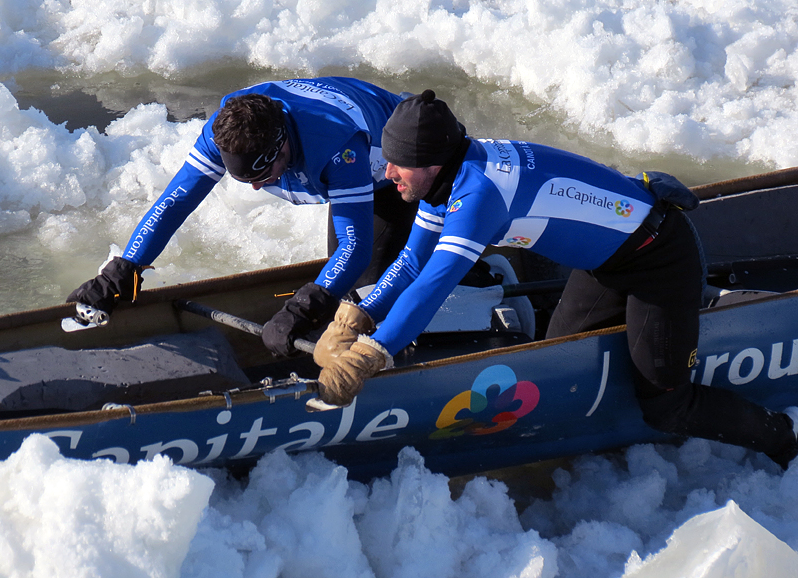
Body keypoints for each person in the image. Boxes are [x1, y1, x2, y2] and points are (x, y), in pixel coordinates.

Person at [312, 89, 798, 469]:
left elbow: (433, 285)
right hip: (606, 263)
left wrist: (374, 354)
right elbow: (413, 262)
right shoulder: (446, 179)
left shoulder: (479, 194)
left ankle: (781, 437)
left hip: (659, 260)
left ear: (431, 163)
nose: (388, 171)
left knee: (666, 406)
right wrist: (361, 314)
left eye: (398, 164)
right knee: (557, 363)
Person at [67, 77, 418, 356]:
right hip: (345, 124)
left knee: (362, 295)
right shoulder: (228, 129)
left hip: (401, 166)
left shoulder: (338, 149)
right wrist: (125, 269)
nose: (255, 189)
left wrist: (300, 310)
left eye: (262, 177)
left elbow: (354, 248)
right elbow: (175, 203)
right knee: (333, 291)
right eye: (244, 180)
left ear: (283, 147)